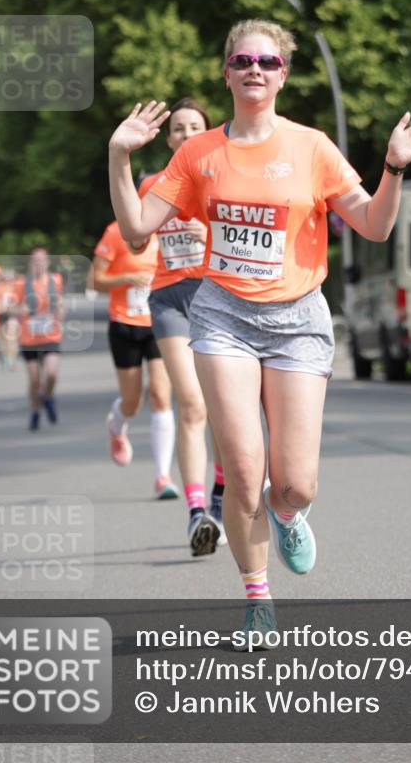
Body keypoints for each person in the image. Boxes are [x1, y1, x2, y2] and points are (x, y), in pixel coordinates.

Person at [108, 18, 411, 643]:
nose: (255, 70)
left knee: (293, 483)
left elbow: (374, 226)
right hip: (223, 317)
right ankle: (257, 599)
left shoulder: (312, 147)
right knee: (243, 474)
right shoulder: (198, 153)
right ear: (227, 73)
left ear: (283, 75)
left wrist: (394, 168)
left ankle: (289, 512)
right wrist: (119, 156)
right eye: (243, 60)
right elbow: (135, 228)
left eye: (267, 62)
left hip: (297, 322)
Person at [136, 98, 227, 557]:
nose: (187, 133)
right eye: (178, 128)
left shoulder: (225, 181)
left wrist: (210, 236)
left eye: (195, 126)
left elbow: (248, 242)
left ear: (208, 133)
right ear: (169, 139)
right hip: (169, 296)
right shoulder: (153, 185)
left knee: (223, 409)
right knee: (191, 403)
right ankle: (196, 513)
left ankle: (220, 499)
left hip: (217, 297)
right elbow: (136, 240)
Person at [92, 220, 179, 499]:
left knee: (160, 394)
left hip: (160, 323)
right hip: (124, 324)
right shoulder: (116, 232)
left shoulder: (169, 229)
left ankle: (163, 476)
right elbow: (95, 280)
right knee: (132, 402)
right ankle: (117, 424)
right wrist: (128, 277)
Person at [13, 246, 64, 432]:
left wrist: (60, 310)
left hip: (50, 335)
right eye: (35, 261)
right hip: (29, 338)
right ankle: (35, 411)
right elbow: (12, 308)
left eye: (42, 260)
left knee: (51, 373)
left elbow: (59, 303)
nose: (38, 264)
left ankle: (48, 397)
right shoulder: (21, 283)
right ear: (30, 263)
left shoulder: (56, 280)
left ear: (48, 262)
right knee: (34, 379)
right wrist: (22, 310)